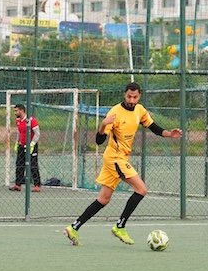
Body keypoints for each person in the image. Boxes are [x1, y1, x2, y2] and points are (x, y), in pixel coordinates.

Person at [63, 82, 182, 246]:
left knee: (103, 199)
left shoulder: (140, 110)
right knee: (141, 189)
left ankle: (73, 227)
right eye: (129, 96)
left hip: (119, 159)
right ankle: (120, 226)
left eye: (135, 97)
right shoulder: (115, 113)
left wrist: (169, 134)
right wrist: (103, 125)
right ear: (124, 95)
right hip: (115, 158)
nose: (131, 100)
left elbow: (153, 126)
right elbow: (99, 141)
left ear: (139, 96)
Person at [9, 103, 41, 192]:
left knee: (33, 165)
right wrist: (17, 142)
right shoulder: (18, 120)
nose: (15, 113)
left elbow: (37, 134)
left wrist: (32, 144)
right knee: (19, 165)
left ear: (22, 110)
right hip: (21, 145)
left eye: (16, 111)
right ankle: (18, 184)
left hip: (31, 146)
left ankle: (37, 185)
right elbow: (19, 132)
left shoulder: (31, 120)